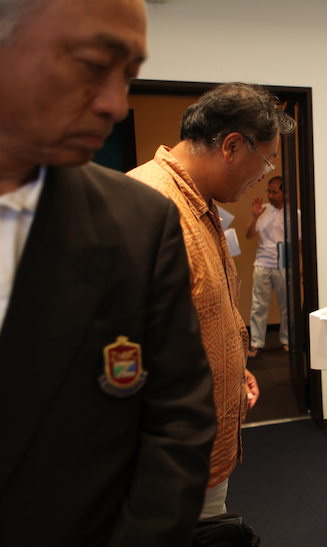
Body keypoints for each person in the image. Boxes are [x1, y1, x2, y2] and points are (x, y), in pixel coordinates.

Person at [0, 0, 217, 545]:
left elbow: (179, 419)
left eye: (128, 77)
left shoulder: (138, 221)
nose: (117, 106)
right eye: (94, 66)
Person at [127, 82, 295, 518]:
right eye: (266, 160)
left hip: (204, 448)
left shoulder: (199, 201)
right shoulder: (145, 204)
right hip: (170, 461)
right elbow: (119, 351)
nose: (265, 174)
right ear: (232, 146)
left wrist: (234, 369)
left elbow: (198, 312)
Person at [245, 175, 301, 356]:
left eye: (274, 192)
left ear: (285, 193)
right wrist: (255, 216)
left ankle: (287, 340)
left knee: (288, 306)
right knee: (258, 306)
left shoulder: (295, 214)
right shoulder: (262, 210)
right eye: (268, 191)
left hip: (285, 264)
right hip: (262, 263)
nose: (270, 195)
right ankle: (256, 343)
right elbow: (248, 235)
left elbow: (299, 242)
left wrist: (299, 265)